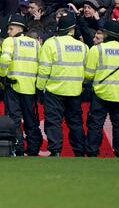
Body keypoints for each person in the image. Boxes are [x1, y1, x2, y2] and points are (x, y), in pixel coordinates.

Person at [36, 13, 88, 157]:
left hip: (55, 90)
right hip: (75, 91)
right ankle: (79, 152)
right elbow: (87, 71)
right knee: (75, 123)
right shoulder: (83, 47)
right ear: (72, 29)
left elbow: (44, 69)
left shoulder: (51, 43)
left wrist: (39, 88)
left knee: (53, 122)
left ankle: (56, 150)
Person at [83, 19, 119, 158]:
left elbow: (88, 74)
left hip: (101, 93)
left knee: (95, 124)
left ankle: (92, 152)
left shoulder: (97, 49)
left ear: (106, 34)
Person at [0, 14, 42, 156]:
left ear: (18, 29)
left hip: (13, 86)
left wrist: (2, 75)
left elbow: (4, 59)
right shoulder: (35, 43)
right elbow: (41, 64)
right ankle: (34, 149)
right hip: (30, 87)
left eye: (10, 29)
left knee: (14, 119)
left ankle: (19, 147)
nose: (8, 32)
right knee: (31, 120)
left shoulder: (10, 41)